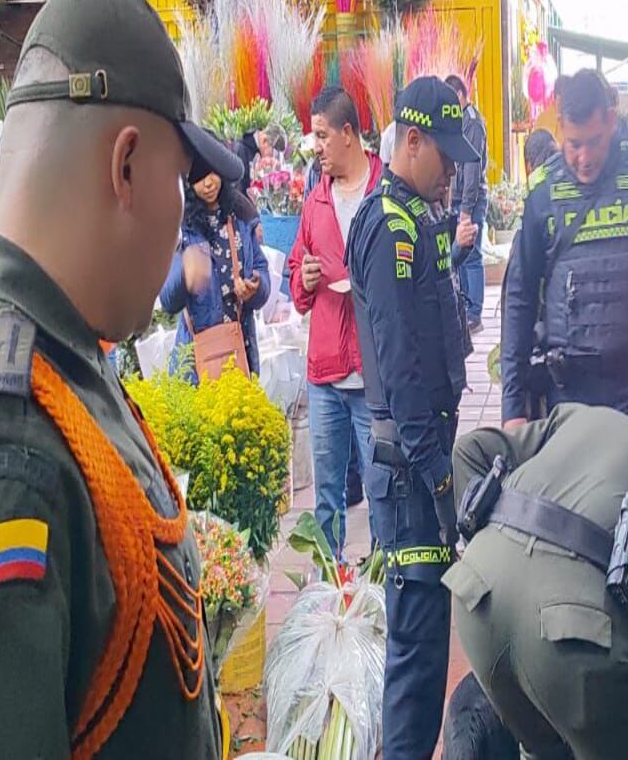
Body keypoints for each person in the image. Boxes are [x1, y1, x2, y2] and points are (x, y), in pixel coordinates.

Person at [0, 0, 235, 758]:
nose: (182, 216)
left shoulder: (54, 352)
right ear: (127, 165)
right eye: (178, 180)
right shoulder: (7, 457)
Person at [445, 403, 628, 760]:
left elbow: (468, 449)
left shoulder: (578, 418)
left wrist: (490, 541)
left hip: (475, 600)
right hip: (572, 636)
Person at [346, 75, 480, 760]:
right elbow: (400, 369)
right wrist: (437, 478)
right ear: (413, 138)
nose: (453, 169)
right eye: (445, 153)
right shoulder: (387, 224)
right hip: (408, 470)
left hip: (421, 460)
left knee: (427, 653)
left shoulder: (418, 216)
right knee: (416, 659)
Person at [500, 69, 628, 429]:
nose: (584, 157)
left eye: (593, 141)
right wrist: (513, 408)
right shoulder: (543, 191)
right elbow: (519, 297)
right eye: (574, 143)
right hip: (569, 392)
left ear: (610, 121)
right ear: (560, 126)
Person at [287, 85, 383, 557]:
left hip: (372, 374)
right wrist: (304, 278)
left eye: (323, 136)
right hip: (325, 373)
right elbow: (297, 291)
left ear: (349, 133)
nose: (317, 147)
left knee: (383, 490)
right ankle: (331, 592)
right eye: (313, 138)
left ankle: (384, 591)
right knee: (328, 500)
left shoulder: (384, 194)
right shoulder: (315, 203)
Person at [160, 165, 270, 381]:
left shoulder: (240, 217)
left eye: (212, 173)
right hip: (195, 365)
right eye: (199, 179)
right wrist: (185, 274)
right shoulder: (181, 228)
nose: (208, 183)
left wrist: (255, 288)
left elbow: (262, 272)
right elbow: (167, 301)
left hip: (240, 351)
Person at [445, 73, 488, 332]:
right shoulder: (459, 120)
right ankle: (466, 307)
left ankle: (475, 312)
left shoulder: (471, 123)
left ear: (460, 95)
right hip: (459, 198)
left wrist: (465, 210)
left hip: (470, 199)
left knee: (472, 254)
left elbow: (471, 167)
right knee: (460, 253)